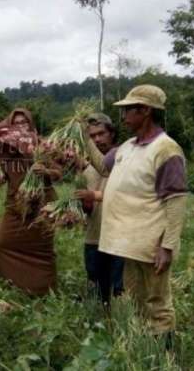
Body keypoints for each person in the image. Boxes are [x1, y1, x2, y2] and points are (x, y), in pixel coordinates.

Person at [85, 85, 187, 343]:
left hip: (151, 243)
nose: (124, 117)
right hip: (127, 242)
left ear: (145, 111)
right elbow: (101, 165)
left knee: (158, 302)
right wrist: (82, 137)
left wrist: (168, 246)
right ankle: (144, 349)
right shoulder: (127, 147)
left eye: (129, 110)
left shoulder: (166, 149)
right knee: (135, 298)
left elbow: (175, 201)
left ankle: (163, 354)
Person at [0, 108, 63, 296]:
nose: (21, 126)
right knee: (2, 244)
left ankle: (44, 292)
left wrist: (46, 172)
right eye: (17, 123)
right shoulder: (6, 149)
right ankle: (14, 288)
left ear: (31, 125)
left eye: (25, 123)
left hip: (42, 206)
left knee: (42, 250)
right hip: (16, 205)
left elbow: (59, 173)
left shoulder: (43, 146)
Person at [74, 113, 124, 306]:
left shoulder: (122, 157)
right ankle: (100, 328)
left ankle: (123, 329)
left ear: (111, 134)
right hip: (94, 236)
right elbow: (87, 207)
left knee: (119, 291)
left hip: (119, 237)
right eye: (92, 136)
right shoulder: (86, 167)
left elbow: (125, 195)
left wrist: (93, 196)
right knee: (97, 290)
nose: (97, 139)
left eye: (101, 134)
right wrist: (83, 204)